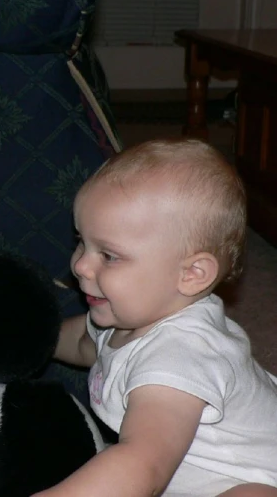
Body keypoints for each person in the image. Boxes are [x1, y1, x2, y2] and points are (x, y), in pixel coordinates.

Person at [39, 139, 277, 496]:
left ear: (192, 274)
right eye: (81, 243)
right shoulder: (127, 313)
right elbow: (82, 342)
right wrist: (28, 337)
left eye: (109, 255)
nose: (80, 265)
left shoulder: (179, 359)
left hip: (256, 475)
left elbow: (142, 464)